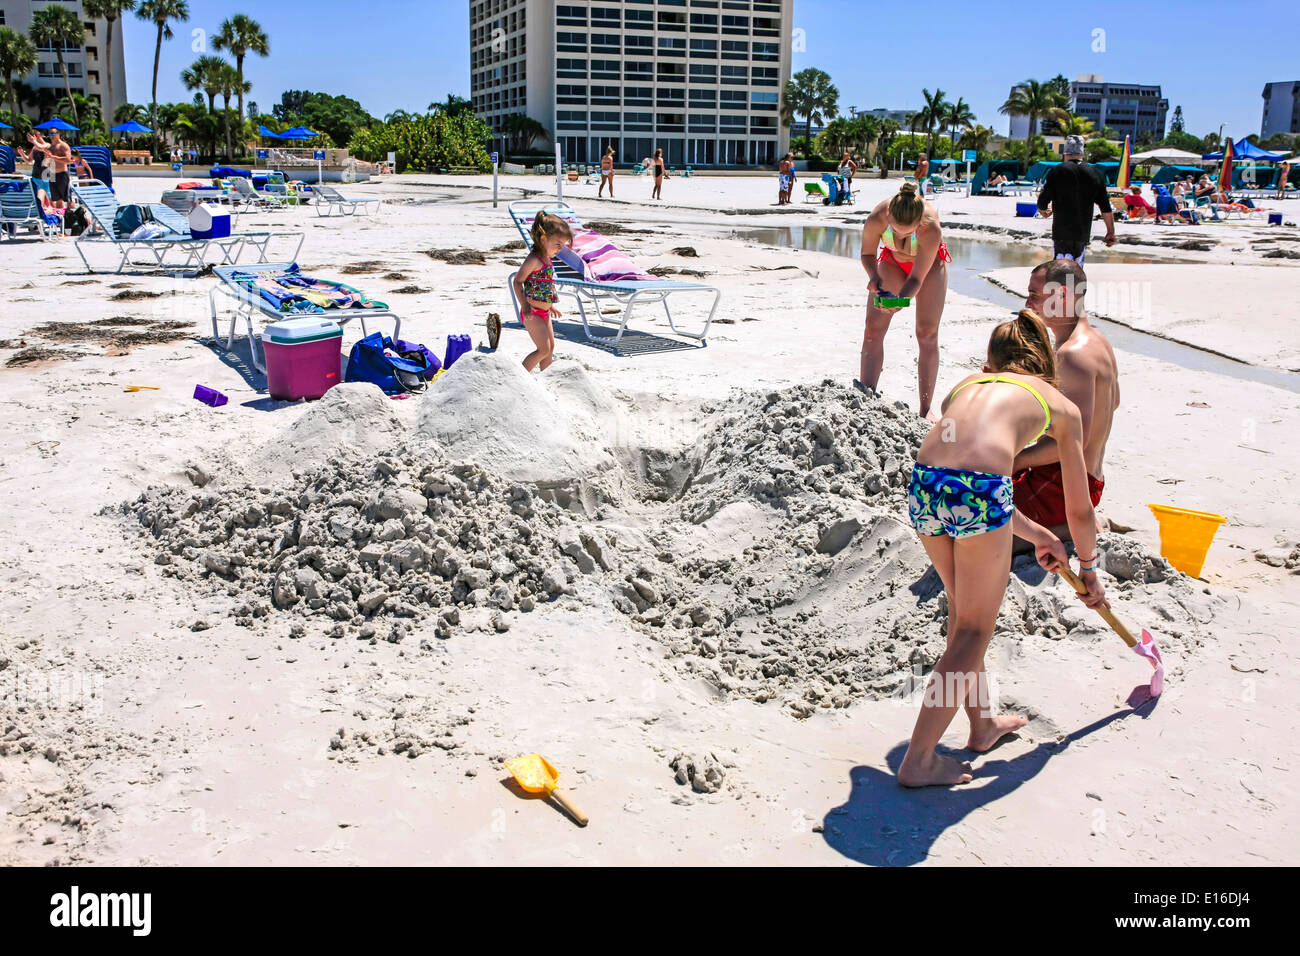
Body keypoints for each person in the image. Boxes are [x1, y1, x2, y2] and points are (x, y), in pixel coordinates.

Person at [899, 310, 1106, 787]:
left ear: (991, 360)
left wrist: (1037, 535)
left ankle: (981, 724)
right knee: (974, 631)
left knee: (962, 616)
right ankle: (919, 759)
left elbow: (970, 476)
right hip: (976, 493)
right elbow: (1079, 512)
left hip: (924, 486)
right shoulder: (1062, 408)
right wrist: (1089, 569)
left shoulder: (966, 387)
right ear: (1043, 362)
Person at [1016, 259, 1119, 548]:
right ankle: (1077, 523)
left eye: (1035, 295)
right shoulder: (1098, 340)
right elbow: (1115, 402)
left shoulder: (1071, 355)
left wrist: (1018, 459)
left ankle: (1072, 530)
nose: (1027, 302)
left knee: (978, 520)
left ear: (1061, 295)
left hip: (1066, 486)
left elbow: (1077, 441)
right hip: (1088, 478)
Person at [858, 181, 952, 421]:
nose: (899, 236)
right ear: (888, 216)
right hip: (892, 262)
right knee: (872, 328)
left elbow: (917, 279)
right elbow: (867, 254)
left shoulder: (931, 228)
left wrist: (901, 300)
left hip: (928, 269)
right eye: (895, 230)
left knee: (927, 333)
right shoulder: (877, 217)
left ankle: (925, 408)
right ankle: (866, 395)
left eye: (907, 233)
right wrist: (874, 277)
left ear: (919, 222)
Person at [1036, 135, 1116, 262]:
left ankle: (1065, 281)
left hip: (1060, 233)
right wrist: (1110, 232)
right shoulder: (1095, 174)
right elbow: (1105, 207)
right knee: (1075, 271)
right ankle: (1072, 281)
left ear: (1065, 152)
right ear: (1082, 152)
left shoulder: (1057, 171)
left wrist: (1044, 211)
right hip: (1082, 234)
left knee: (1060, 270)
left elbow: (1042, 201)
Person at [511, 211, 572, 373]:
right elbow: (517, 281)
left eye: (562, 245)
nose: (560, 249)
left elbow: (543, 286)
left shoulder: (547, 259)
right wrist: (524, 305)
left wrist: (550, 306)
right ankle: (520, 376)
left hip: (545, 312)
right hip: (532, 312)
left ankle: (546, 379)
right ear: (544, 239)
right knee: (543, 349)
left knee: (550, 349)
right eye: (558, 244)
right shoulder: (534, 259)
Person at [28, 129, 72, 210]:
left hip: (62, 174)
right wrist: (34, 141)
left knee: (67, 200)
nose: (51, 135)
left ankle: (74, 218)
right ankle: (59, 220)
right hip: (52, 175)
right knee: (56, 200)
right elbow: (40, 147)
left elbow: (68, 160)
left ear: (58, 134)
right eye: (50, 133)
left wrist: (53, 157)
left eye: (53, 133)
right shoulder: (50, 147)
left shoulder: (63, 146)